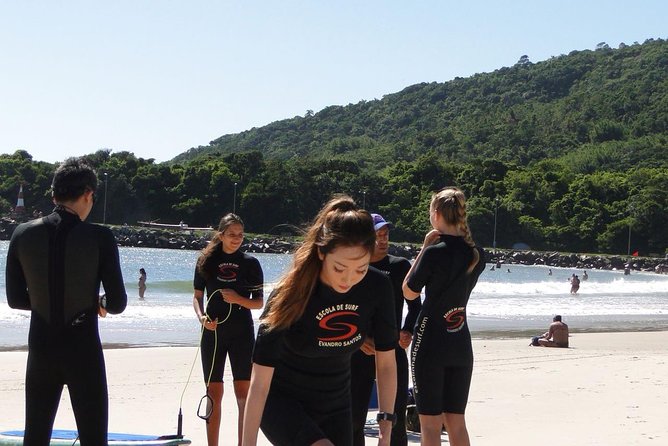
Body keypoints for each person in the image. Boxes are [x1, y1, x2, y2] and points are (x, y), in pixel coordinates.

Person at [242, 195, 398, 446]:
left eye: (360, 269)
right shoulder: (291, 294)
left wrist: (385, 429)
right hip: (283, 403)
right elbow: (259, 383)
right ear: (321, 252)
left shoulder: (377, 287)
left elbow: (387, 363)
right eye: (340, 268)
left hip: (336, 405)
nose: (348, 279)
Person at [5, 157, 127, 445]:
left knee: (35, 436)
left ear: (53, 195)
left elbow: (15, 299)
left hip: (42, 348)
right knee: (93, 437)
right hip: (82, 349)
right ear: (88, 194)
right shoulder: (100, 237)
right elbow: (118, 302)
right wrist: (98, 302)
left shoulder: (21, 234)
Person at [402, 187, 485, 446]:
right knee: (456, 422)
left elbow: (408, 290)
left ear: (436, 213)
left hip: (430, 342)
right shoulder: (475, 253)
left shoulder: (434, 251)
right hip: (460, 341)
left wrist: (424, 248)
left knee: (430, 424)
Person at [192, 213, 264, 446]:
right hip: (212, 332)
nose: (237, 239)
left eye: (240, 235)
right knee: (214, 393)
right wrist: (202, 317)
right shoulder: (206, 260)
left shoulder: (251, 263)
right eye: (232, 234)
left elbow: (259, 303)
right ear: (221, 235)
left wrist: (237, 299)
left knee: (243, 395)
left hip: (242, 332)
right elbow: (196, 297)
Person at [350, 213, 422, 446]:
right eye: (377, 235)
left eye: (385, 235)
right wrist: (358, 339)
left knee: (396, 420)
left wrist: (408, 331)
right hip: (360, 351)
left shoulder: (400, 266)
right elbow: (344, 312)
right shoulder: (352, 269)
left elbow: (415, 306)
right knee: (353, 420)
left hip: (392, 350)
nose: (382, 240)